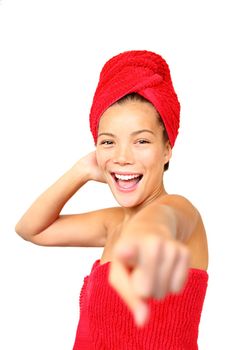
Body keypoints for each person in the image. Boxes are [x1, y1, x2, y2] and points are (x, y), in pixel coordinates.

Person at [15, 50, 209, 349]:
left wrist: (152, 230)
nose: (122, 157)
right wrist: (81, 170)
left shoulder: (180, 209)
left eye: (141, 141)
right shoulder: (112, 223)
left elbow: (166, 221)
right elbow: (31, 229)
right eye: (108, 142)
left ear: (167, 150)